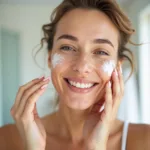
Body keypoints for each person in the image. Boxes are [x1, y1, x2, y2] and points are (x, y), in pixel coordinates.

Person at [0, 0, 150, 150]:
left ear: (118, 66)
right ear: (50, 58)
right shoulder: (6, 139)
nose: (82, 66)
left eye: (101, 52)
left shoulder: (145, 141)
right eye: (67, 47)